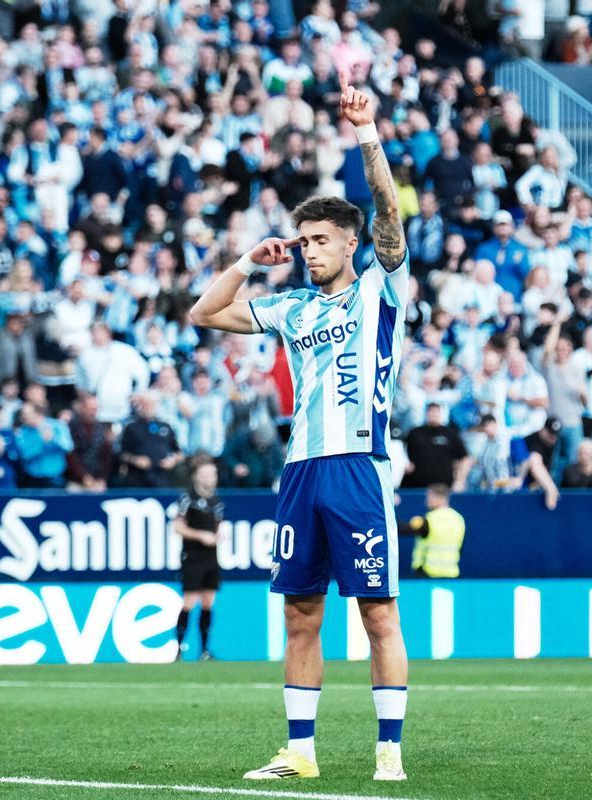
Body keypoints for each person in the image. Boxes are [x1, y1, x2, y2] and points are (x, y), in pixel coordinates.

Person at [189, 75, 409, 782]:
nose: (309, 250)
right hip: (300, 473)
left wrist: (367, 133)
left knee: (377, 615)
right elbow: (205, 313)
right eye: (304, 239)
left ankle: (388, 751)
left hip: (357, 467)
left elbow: (386, 210)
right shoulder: (293, 309)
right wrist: (249, 261)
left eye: (321, 240)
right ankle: (301, 753)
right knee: (300, 614)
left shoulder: (380, 285)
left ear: (352, 245)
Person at [173, 458, 226, 661]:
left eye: (212, 474)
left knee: (208, 601)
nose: (209, 478)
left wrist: (219, 534)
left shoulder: (217, 502)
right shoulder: (188, 499)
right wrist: (200, 536)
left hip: (211, 556)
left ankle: (204, 650)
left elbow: (218, 525)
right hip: (193, 555)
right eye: (205, 474)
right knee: (189, 601)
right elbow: (178, 527)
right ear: (196, 476)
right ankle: (178, 649)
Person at [402, 402, 472, 490]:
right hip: (416, 486)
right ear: (426, 414)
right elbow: (401, 450)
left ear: (440, 414)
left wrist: (460, 480)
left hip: (443, 488)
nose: (433, 415)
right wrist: (405, 463)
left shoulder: (450, 433)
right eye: (430, 412)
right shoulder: (415, 433)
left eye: (436, 412)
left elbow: (465, 458)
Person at [403, 484, 466, 578]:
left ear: (438, 498)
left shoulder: (429, 519)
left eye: (429, 498)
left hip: (426, 575)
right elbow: (460, 547)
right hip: (451, 574)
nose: (426, 502)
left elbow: (403, 529)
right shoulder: (459, 519)